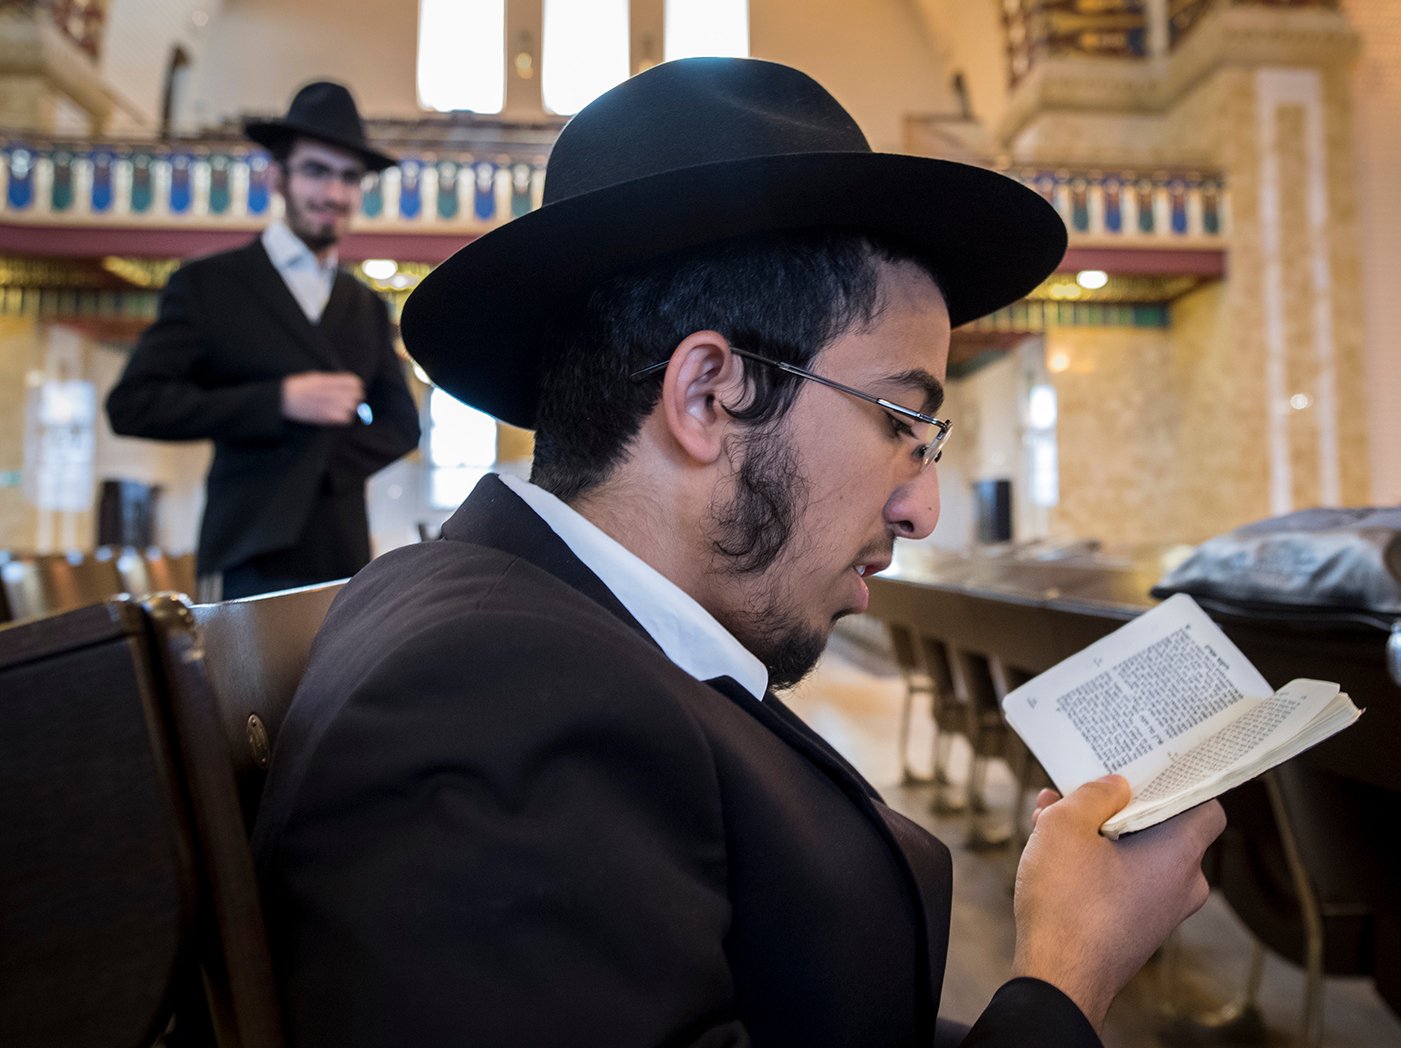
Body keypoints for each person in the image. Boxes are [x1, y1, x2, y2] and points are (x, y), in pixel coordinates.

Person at [251, 58, 1224, 1047]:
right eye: (902, 422)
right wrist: (1065, 972)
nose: (922, 509)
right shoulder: (490, 711)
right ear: (709, 395)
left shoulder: (547, 637)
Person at [106, 81, 420, 600]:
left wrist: (322, 469)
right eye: (316, 171)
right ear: (277, 176)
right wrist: (278, 401)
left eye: (349, 177)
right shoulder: (209, 285)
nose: (334, 194)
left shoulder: (364, 305)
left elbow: (402, 426)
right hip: (247, 548)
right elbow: (133, 405)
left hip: (341, 551)